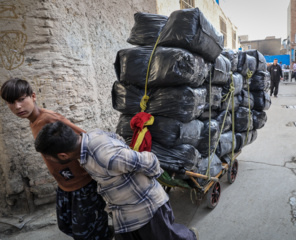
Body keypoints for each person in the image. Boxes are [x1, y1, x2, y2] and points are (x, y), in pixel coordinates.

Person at [34, 121, 199, 240]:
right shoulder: (90, 138)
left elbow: (149, 161)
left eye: (49, 158)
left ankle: (191, 236)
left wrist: (149, 183)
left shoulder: (105, 157)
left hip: (147, 208)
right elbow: (118, 139)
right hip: (125, 213)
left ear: (63, 156)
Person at [0, 78, 112, 240]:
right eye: (11, 102)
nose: (17, 107)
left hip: (83, 185)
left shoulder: (50, 119)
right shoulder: (34, 121)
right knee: (66, 224)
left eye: (21, 99)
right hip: (65, 185)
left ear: (33, 96)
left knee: (87, 231)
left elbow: (86, 139)